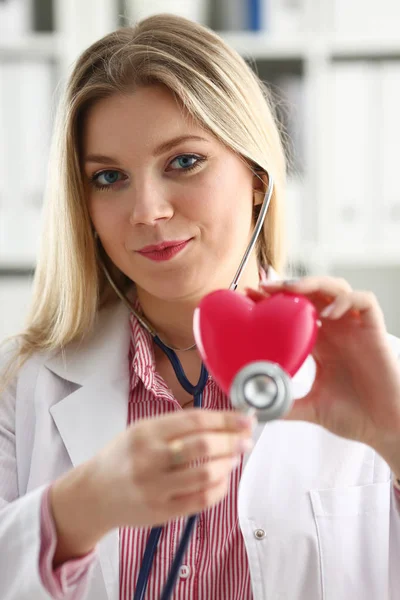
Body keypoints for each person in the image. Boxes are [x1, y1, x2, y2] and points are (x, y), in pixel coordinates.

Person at [1, 12, 400, 600]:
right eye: (109, 177)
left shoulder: (383, 374)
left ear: (258, 177)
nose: (147, 210)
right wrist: (77, 508)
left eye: (183, 161)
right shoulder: (23, 384)